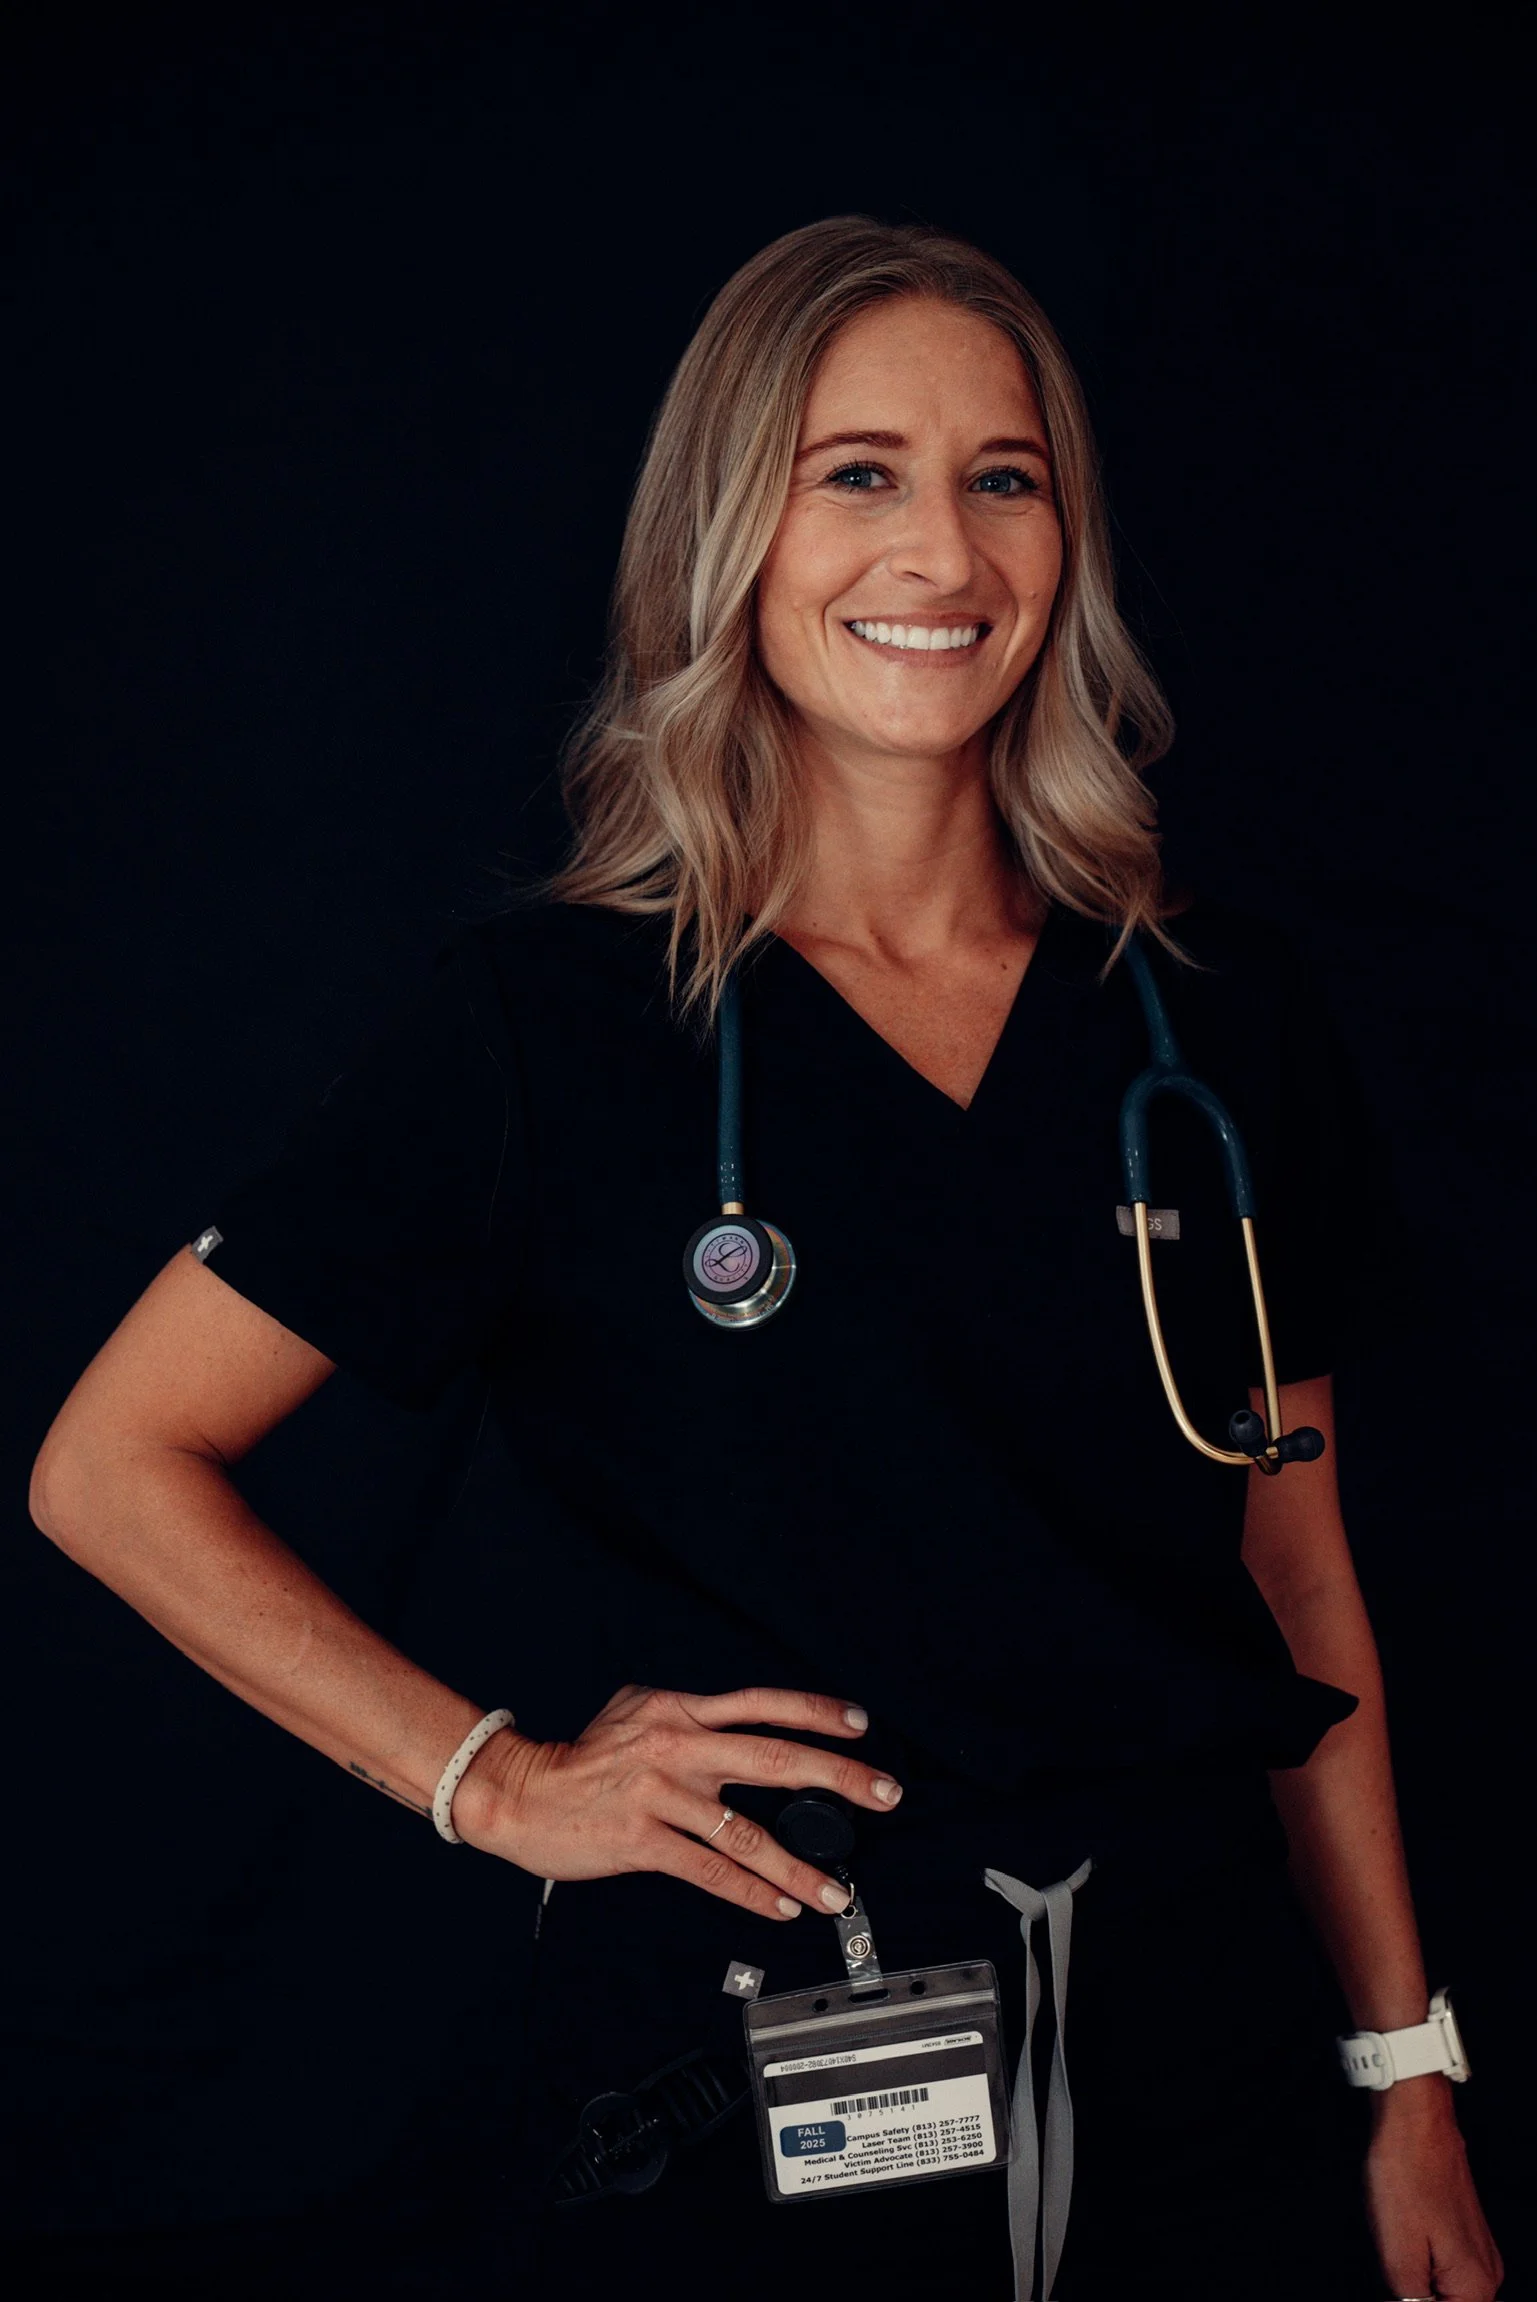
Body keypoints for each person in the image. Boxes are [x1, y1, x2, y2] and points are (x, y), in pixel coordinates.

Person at [31, 216, 1502, 2300]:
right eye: (859, 472)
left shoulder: (1214, 1021)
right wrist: (493, 1778)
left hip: (1208, 2066)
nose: (946, 551)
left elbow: (1297, 1568)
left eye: (1006, 475)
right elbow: (110, 1464)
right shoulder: (549, 1030)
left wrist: (1406, 2071)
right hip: (761, 2078)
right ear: (733, 531)